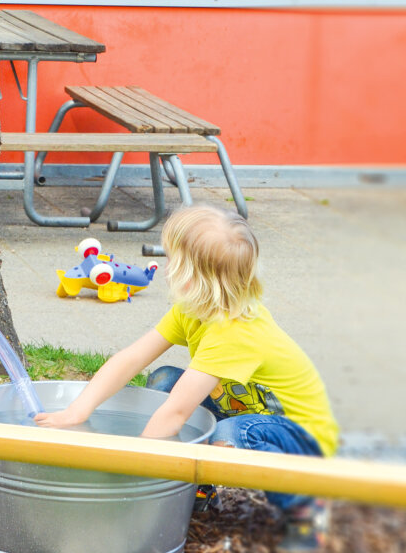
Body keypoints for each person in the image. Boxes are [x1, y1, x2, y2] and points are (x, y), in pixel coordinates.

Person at [35, 205, 338, 552]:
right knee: (164, 379)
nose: (165, 267)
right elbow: (132, 358)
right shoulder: (193, 307)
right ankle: (196, 485)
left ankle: (307, 510)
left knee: (230, 434)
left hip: (301, 436)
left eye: (172, 260)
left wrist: (133, 475)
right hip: (248, 411)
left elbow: (176, 414)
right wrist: (78, 410)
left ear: (193, 278)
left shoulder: (235, 332)